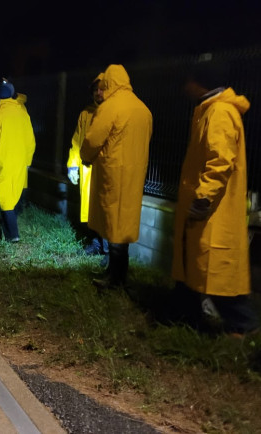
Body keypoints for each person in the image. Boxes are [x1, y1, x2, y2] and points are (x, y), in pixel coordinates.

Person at [170, 60, 258, 336]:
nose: (184, 85)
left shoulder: (219, 112)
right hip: (206, 207)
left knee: (215, 272)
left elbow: (220, 161)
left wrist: (203, 198)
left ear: (198, 81)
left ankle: (245, 325)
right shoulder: (211, 109)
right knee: (194, 264)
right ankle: (184, 315)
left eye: (187, 80)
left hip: (212, 209)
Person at [81, 64, 152, 289]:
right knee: (124, 226)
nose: (101, 90)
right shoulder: (143, 109)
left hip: (113, 174)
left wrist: (86, 156)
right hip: (135, 176)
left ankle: (114, 277)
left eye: (104, 85)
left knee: (113, 226)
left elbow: (93, 140)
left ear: (110, 83)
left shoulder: (110, 107)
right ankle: (119, 274)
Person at [0, 80, 36, 243]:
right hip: (20, 163)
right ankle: (11, 232)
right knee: (14, 196)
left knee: (5, 200)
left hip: (3, 162)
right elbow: (30, 140)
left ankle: (12, 235)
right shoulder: (22, 112)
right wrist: (27, 160)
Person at [67, 74, 108, 258]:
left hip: (105, 171)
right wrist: (72, 165)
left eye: (102, 89)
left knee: (104, 211)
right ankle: (95, 244)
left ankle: (107, 250)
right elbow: (77, 142)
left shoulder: (112, 113)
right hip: (87, 170)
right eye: (95, 89)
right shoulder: (86, 113)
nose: (98, 93)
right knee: (91, 210)